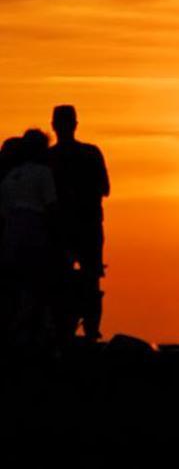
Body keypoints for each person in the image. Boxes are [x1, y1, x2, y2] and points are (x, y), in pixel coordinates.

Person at [48, 105, 110, 340]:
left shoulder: (49, 158)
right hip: (83, 226)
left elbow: (104, 188)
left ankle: (72, 329)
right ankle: (89, 329)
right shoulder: (91, 153)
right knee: (89, 279)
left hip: (66, 228)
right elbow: (105, 188)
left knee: (66, 278)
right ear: (75, 124)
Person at [0, 129, 58, 349]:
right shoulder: (43, 173)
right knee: (37, 286)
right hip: (34, 231)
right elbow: (51, 207)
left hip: (12, 234)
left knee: (15, 287)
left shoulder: (8, 178)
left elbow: (4, 213)